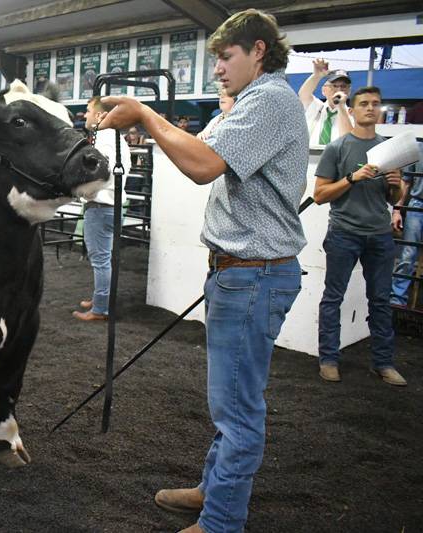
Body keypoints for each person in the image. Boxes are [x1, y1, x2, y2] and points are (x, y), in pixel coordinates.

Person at [97, 10, 307, 533]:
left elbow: (202, 166)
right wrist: (147, 130)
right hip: (242, 272)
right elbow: (196, 148)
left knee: (237, 407)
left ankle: (221, 522)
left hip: (254, 273)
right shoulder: (251, 103)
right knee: (232, 397)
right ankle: (215, 490)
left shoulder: (272, 101)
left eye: (225, 56)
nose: (216, 68)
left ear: (259, 50)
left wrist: (145, 114)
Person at [313, 86, 406, 387]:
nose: (370, 108)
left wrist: (395, 184)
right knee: (333, 298)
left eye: (375, 104)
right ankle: (328, 359)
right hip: (344, 232)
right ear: (351, 111)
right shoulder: (337, 148)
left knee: (380, 300)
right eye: (364, 103)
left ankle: (383, 363)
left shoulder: (388, 149)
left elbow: (395, 197)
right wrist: (352, 178)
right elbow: (319, 195)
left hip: (379, 234)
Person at [72, 96, 131, 321]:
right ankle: (101, 300)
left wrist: (84, 192)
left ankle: (100, 309)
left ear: (99, 115)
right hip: (110, 204)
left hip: (100, 204)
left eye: (88, 111)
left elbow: (101, 172)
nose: (85, 115)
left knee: (100, 259)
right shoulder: (115, 138)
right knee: (104, 258)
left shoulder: (104, 138)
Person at [390, 143, 423, 307]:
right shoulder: (419, 145)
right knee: (408, 255)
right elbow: (406, 181)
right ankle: (397, 300)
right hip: (417, 205)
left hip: (416, 206)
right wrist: (397, 210)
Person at [298, 59, 353, 146]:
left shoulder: (352, 114)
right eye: (334, 86)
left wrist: (341, 107)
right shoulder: (317, 108)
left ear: (349, 91)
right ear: (324, 90)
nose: (339, 90)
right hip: (311, 157)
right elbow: (303, 95)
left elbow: (350, 143)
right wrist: (317, 75)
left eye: (344, 86)